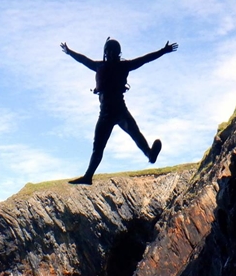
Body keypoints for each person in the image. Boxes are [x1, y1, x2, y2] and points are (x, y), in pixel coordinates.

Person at [61, 37, 178, 184]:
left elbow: (145, 59)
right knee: (113, 141)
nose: (110, 54)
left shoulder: (108, 66)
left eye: (112, 51)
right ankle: (89, 176)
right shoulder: (113, 66)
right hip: (112, 111)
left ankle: (149, 155)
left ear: (115, 53)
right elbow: (82, 59)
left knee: (120, 139)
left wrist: (163, 51)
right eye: (109, 51)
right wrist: (69, 51)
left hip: (113, 111)